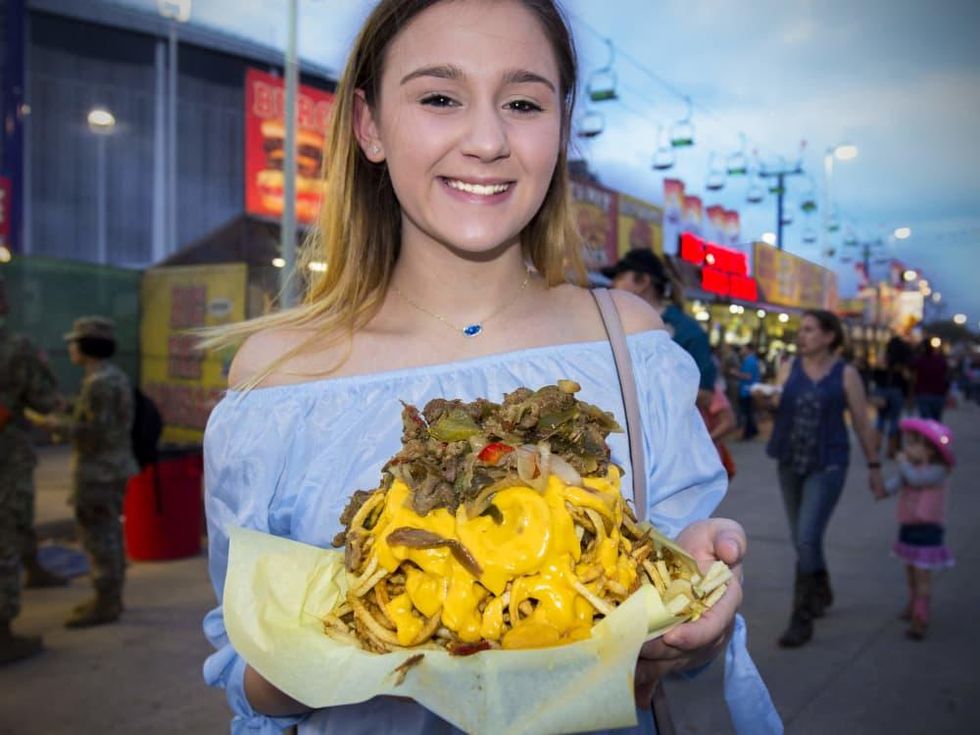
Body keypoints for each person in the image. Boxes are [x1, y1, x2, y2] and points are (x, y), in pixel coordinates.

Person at [200, 2, 780, 733]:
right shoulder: (280, 379)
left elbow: (682, 625)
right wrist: (357, 651)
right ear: (369, 125)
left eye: (523, 103)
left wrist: (696, 609)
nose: (486, 140)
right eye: (440, 97)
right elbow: (244, 670)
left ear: (560, 128)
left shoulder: (630, 344)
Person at [766, 310, 884, 648]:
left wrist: (874, 467)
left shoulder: (846, 374)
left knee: (806, 537)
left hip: (827, 465)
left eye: (809, 330)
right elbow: (778, 402)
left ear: (829, 336)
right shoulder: (789, 367)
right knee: (803, 537)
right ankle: (821, 585)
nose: (801, 335)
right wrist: (767, 400)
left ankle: (801, 617)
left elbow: (861, 422)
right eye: (801, 330)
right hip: (790, 462)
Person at [31, 317, 137, 628]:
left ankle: (105, 602)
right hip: (112, 468)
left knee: (98, 538)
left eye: (74, 343)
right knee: (109, 533)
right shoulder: (110, 376)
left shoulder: (99, 383)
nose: (71, 349)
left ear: (87, 346)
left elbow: (94, 432)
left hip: (97, 473)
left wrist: (51, 424)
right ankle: (109, 598)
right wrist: (69, 408)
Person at [0, 276, 65, 664]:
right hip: (7, 452)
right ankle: (3, 632)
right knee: (8, 528)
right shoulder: (15, 347)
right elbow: (43, 398)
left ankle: (34, 569)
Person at [603, 249, 717, 412]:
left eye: (619, 277)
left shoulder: (686, 331)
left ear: (643, 281)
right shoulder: (610, 325)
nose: (612, 285)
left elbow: (704, 393)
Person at [881, 418, 955, 641]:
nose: (907, 448)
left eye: (913, 444)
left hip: (928, 531)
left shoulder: (937, 471)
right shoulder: (910, 468)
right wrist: (880, 488)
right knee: (911, 573)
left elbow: (915, 480)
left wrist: (903, 464)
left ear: (929, 451)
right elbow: (893, 485)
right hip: (909, 527)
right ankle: (913, 603)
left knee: (923, 576)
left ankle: (920, 616)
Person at [877, 330, 913, 458]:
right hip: (897, 390)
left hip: (882, 389)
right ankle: (891, 448)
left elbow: (875, 373)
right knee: (894, 419)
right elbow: (908, 378)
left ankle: (876, 443)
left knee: (880, 417)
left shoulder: (884, 359)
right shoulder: (903, 362)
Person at [911, 341, 948, 421]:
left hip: (923, 393)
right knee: (935, 420)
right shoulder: (941, 360)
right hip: (938, 393)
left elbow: (911, 368)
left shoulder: (920, 360)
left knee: (926, 420)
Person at [736, 344, 760, 440]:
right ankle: (752, 430)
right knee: (749, 412)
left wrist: (735, 373)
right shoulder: (753, 360)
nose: (741, 350)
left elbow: (748, 376)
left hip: (747, 390)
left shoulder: (749, 361)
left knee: (747, 413)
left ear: (748, 349)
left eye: (743, 348)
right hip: (750, 389)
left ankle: (748, 433)